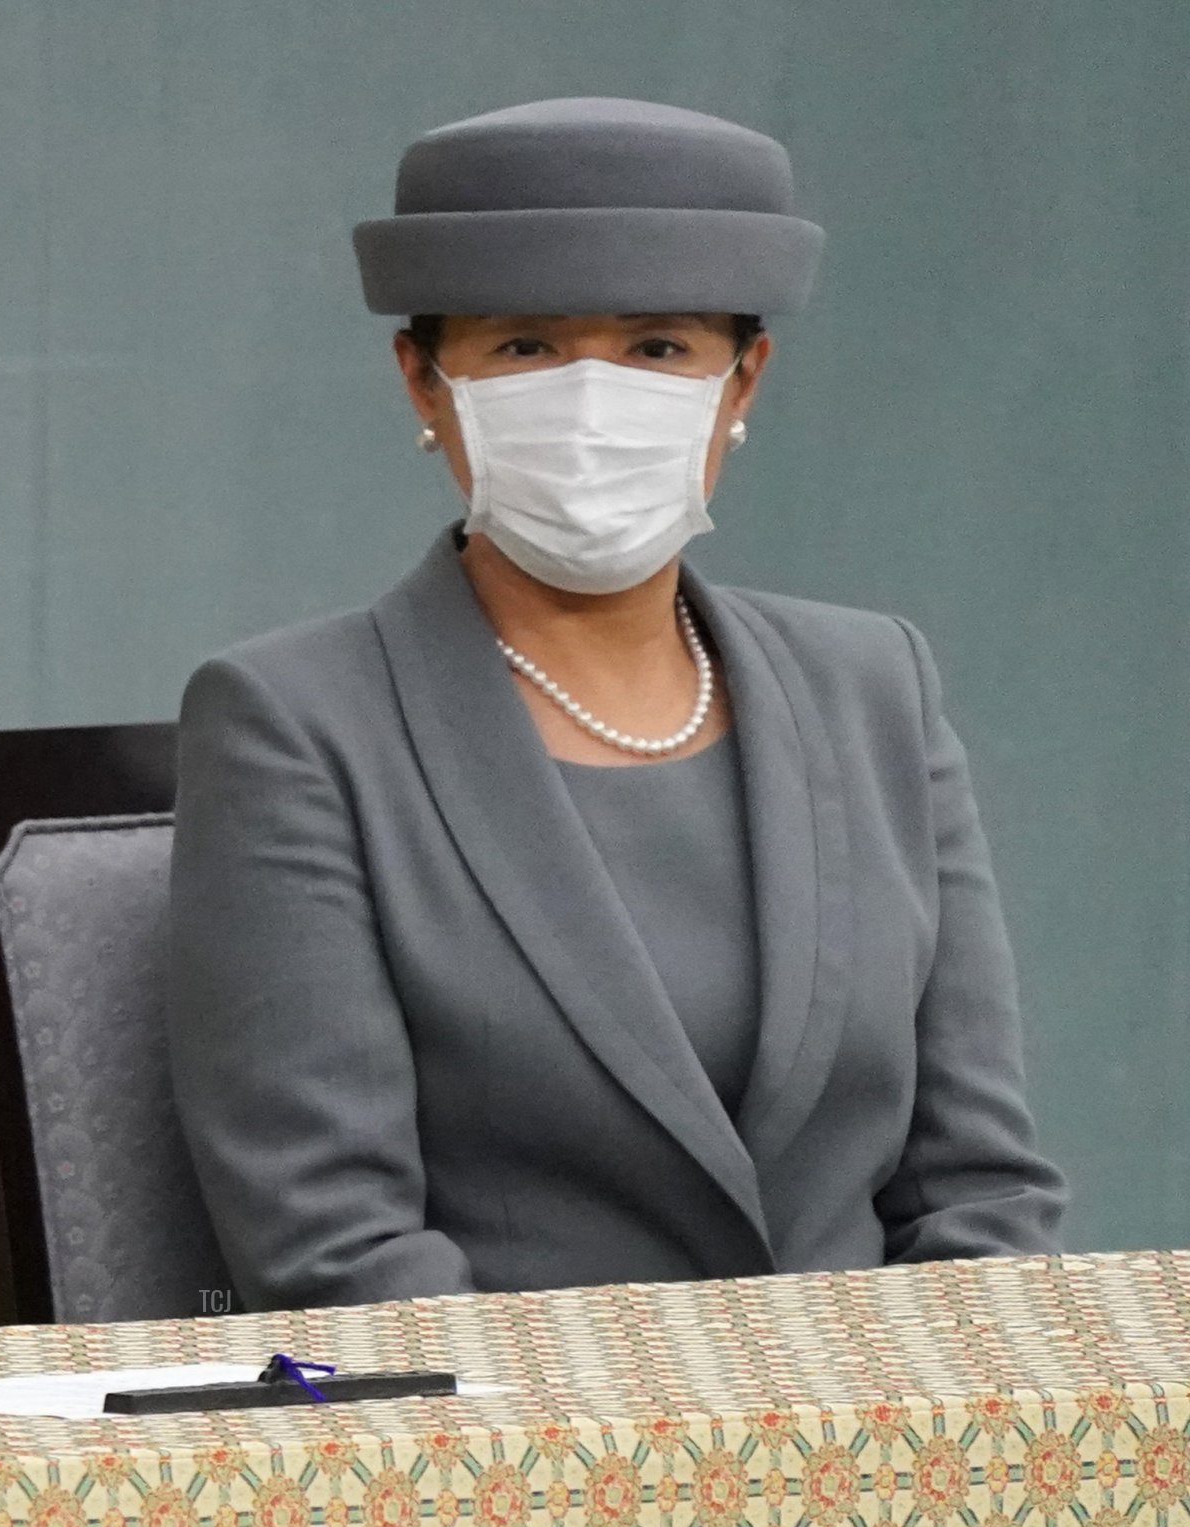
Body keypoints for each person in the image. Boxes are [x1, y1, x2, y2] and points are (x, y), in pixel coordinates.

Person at [167, 96, 1067, 1312]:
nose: (593, 408)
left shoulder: (876, 689)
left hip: (891, 1467)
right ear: (425, 384)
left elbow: (982, 1199)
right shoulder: (295, 726)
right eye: (525, 349)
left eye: (657, 349)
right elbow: (341, 1258)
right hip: (502, 1475)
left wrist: (919, 1468)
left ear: (743, 379)